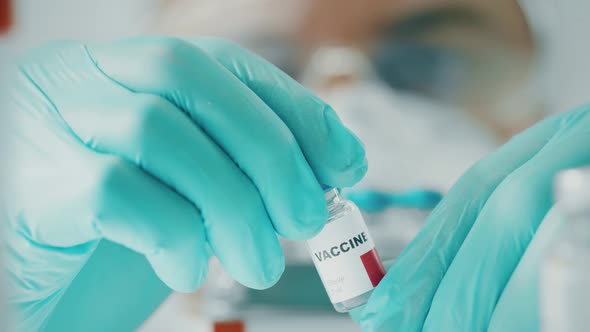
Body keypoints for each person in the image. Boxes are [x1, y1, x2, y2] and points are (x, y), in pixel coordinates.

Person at [2, 3, 589, 332]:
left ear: (541, 95)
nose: (349, 103)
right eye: (259, 70)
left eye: (430, 61)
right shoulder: (46, 279)